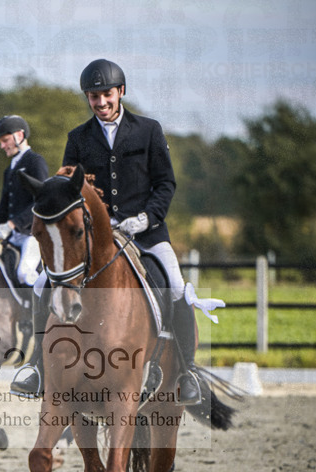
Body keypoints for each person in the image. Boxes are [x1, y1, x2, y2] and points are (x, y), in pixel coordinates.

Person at [12, 59, 218, 402]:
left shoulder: (149, 130)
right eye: (93, 96)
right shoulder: (78, 138)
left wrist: (146, 218)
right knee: (40, 283)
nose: (101, 102)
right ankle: (36, 365)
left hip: (147, 233)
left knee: (178, 287)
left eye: (106, 94)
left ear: (120, 92)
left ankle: (187, 371)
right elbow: (67, 186)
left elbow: (165, 183)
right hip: (96, 236)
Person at [0, 115, 48, 289]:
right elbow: (3, 212)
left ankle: (43, 313)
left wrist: (12, 224)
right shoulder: (9, 170)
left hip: (32, 234)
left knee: (24, 273)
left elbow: (41, 202)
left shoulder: (35, 162)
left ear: (19, 135)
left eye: (5, 140)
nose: (2, 146)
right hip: (13, 237)